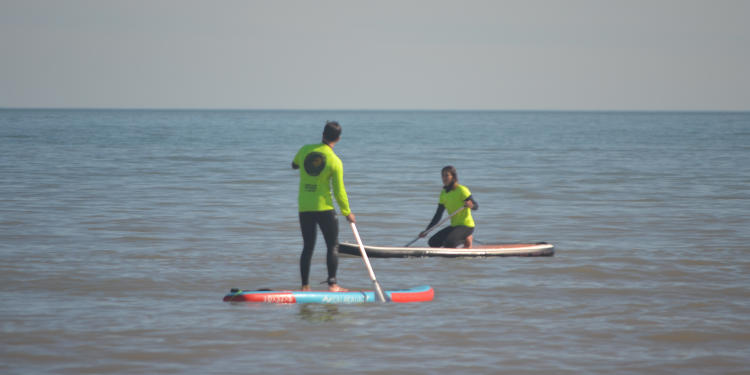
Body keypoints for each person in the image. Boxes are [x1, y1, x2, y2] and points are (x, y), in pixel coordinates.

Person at [292, 121, 355, 292]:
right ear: (338, 139)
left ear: (323, 134)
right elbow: (339, 191)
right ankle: (333, 285)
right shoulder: (335, 161)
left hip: (304, 207)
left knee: (308, 246)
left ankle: (305, 286)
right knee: (332, 245)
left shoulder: (305, 149)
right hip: (324, 208)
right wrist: (347, 212)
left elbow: (294, 164)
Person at [419, 165, 478, 248]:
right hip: (454, 226)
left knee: (449, 244)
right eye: (442, 176)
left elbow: (476, 206)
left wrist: (471, 205)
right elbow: (438, 215)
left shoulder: (462, 190)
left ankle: (467, 238)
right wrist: (426, 230)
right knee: (432, 242)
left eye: (447, 175)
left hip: (467, 226)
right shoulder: (443, 193)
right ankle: (462, 238)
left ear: (453, 176)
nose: (444, 178)